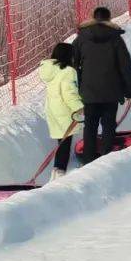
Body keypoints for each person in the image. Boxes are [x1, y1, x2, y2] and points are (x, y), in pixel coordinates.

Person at [72, 7, 131, 164]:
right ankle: (107, 160)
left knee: (90, 126)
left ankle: (88, 160)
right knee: (108, 126)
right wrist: (130, 90)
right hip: (111, 91)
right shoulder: (116, 39)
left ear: (93, 18)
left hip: (89, 91)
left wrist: (79, 84)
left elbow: (72, 64)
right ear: (109, 19)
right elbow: (125, 66)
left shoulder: (81, 39)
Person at [39, 42, 83, 181]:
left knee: (62, 141)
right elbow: (69, 92)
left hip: (53, 109)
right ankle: (59, 173)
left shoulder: (52, 70)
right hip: (65, 110)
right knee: (65, 143)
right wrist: (78, 107)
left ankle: (57, 171)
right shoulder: (68, 71)